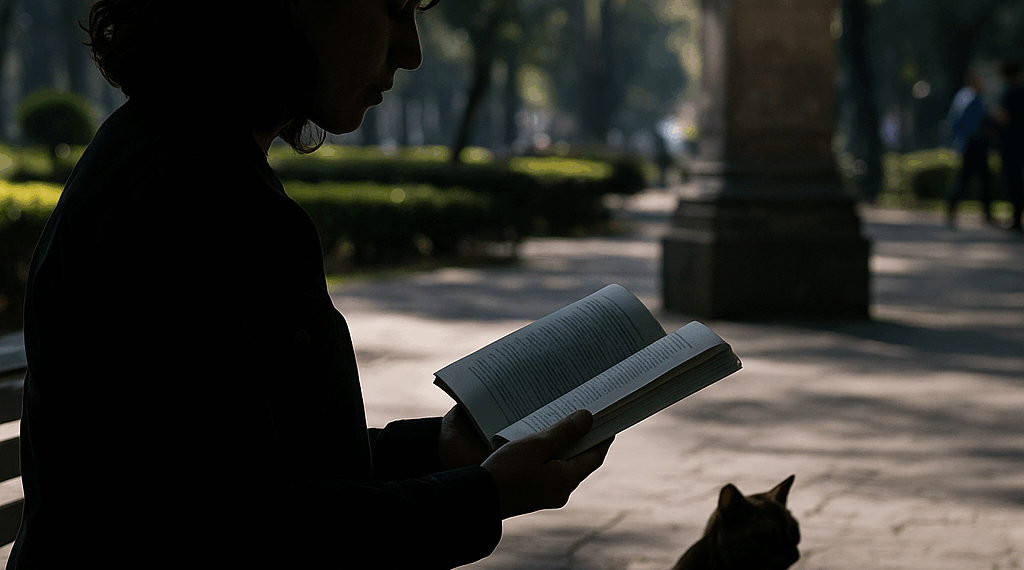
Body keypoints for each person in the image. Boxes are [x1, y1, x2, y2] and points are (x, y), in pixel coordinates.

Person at [8, 1, 612, 568]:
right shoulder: (184, 199)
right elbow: (240, 528)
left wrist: (439, 451)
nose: (412, 52)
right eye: (394, 8)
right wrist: (483, 496)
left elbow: (251, 467)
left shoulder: (184, 159)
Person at [944, 70, 996, 227]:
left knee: (973, 178)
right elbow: (977, 121)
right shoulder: (973, 97)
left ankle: (954, 209)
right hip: (974, 143)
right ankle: (985, 214)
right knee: (972, 179)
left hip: (966, 142)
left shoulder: (962, 96)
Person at [994, 61, 1024, 232]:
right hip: (1020, 142)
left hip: (1011, 143)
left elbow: (1005, 117)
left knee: (1013, 181)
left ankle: (1016, 218)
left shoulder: (1009, 91)